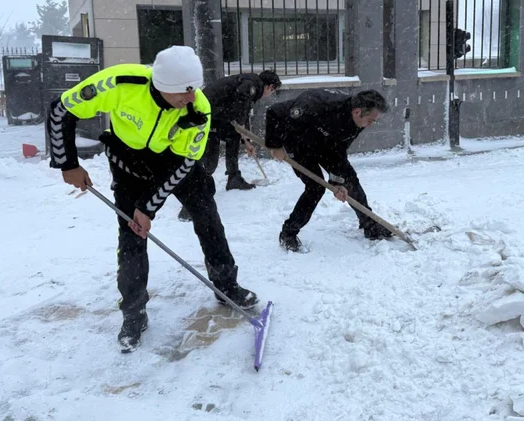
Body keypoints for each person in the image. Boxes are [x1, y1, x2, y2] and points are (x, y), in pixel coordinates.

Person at [47, 45, 259, 353]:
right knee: (131, 235)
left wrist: (149, 206)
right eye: (184, 92)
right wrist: (68, 162)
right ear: (163, 86)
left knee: (207, 214)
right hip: (127, 162)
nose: (192, 98)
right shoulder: (121, 83)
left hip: (174, 162)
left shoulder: (198, 109)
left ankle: (226, 286)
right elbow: (61, 109)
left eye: (195, 89)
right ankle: (133, 313)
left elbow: (185, 163)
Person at [264, 89, 393, 252]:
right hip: (297, 143)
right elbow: (274, 112)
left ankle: (370, 226)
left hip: (324, 146)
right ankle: (288, 233)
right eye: (371, 120)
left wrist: (337, 182)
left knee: (350, 179)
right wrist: (274, 145)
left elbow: (338, 151)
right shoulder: (318, 105)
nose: (371, 124)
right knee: (315, 187)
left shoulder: (357, 122)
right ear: (357, 111)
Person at [178, 70, 282, 221]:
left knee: (233, 136)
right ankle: (190, 202)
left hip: (218, 114)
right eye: (273, 91)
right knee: (210, 161)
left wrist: (246, 141)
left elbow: (244, 114)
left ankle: (233, 178)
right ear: (270, 87)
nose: (271, 94)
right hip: (207, 114)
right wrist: (241, 128)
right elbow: (241, 101)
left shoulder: (253, 86)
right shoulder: (252, 85)